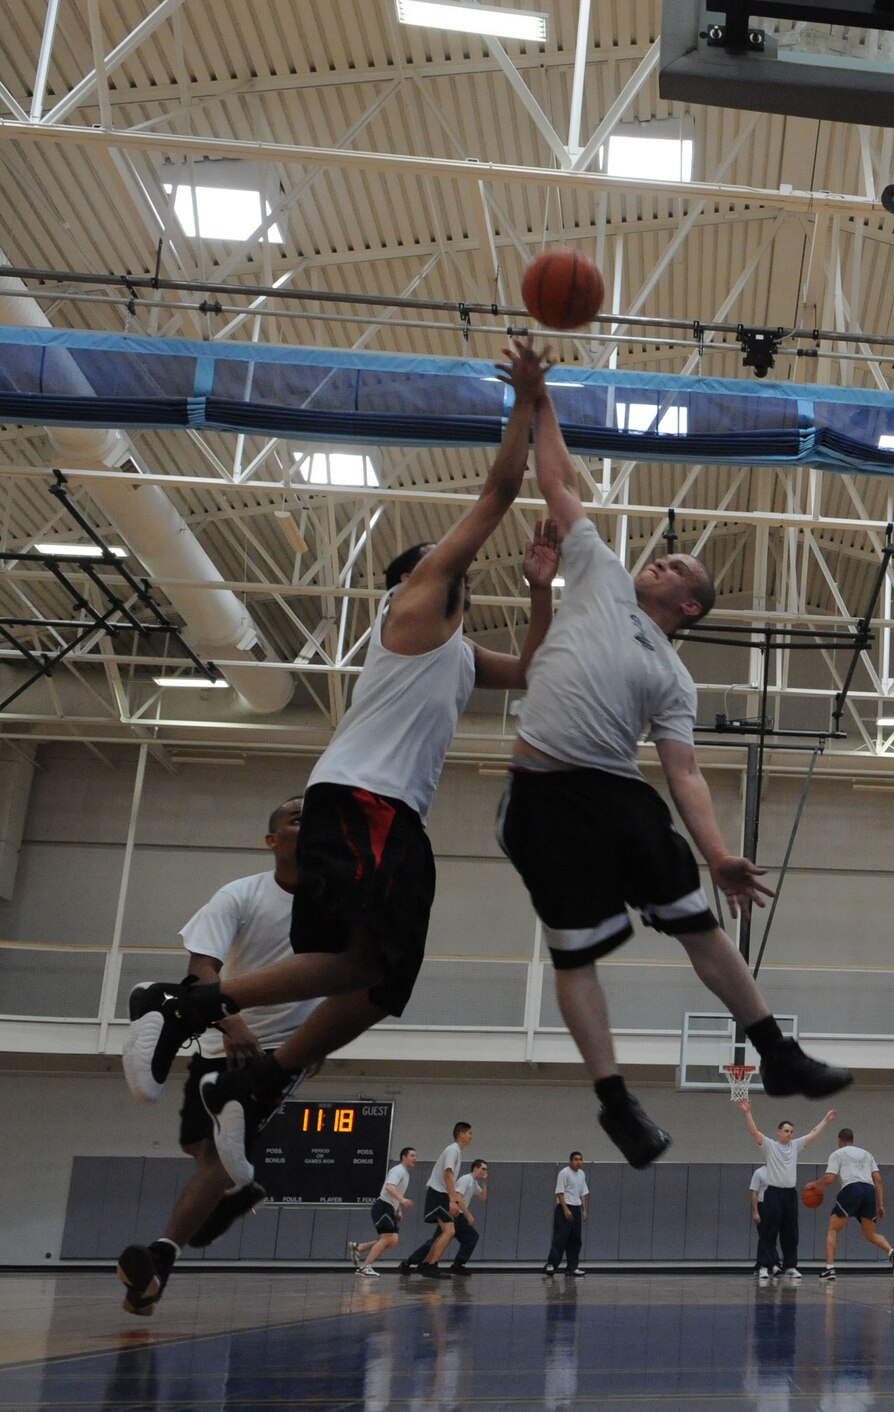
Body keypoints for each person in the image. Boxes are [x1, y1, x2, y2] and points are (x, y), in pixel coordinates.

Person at [119, 342, 560, 1188]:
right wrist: (529, 403)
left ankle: (259, 1080)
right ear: (417, 580)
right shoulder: (415, 609)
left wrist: (541, 590)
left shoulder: (458, 655)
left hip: (389, 815)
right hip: (365, 800)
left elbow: (535, 670)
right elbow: (501, 492)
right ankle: (177, 1007)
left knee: (379, 981)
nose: (450, 564)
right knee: (366, 965)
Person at [497, 386, 849, 1169]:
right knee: (575, 954)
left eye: (676, 566)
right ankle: (616, 1102)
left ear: (687, 604)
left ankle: (776, 1053)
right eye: (662, 555)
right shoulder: (596, 573)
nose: (660, 559)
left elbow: (682, 771)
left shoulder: (672, 679)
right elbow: (559, 481)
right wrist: (537, 401)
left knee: (698, 922)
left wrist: (719, 851)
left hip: (620, 793)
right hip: (545, 795)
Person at [115, 797, 320, 1316]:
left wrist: (322, 1041)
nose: (311, 821)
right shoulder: (240, 894)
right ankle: (229, 1196)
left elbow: (349, 977)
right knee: (199, 1150)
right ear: (272, 840)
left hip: (280, 1051)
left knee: (218, 1158)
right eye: (297, 817)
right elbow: (202, 968)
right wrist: (230, 1022)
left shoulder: (337, 903)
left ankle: (166, 1255)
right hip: (221, 1037)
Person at [740, 1101, 837, 1281]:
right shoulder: (769, 1145)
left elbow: (813, 1134)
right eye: (786, 1131)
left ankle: (790, 1266)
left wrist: (826, 1119)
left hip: (790, 1194)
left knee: (791, 1232)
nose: (789, 1134)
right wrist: (747, 1112)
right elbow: (754, 1131)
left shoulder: (795, 1146)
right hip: (773, 1194)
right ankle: (763, 1266)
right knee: (768, 1232)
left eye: (791, 1132)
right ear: (779, 1132)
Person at [808, 1128, 894, 1279]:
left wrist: (814, 1185)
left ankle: (830, 1269)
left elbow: (830, 1178)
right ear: (853, 1140)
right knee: (870, 1234)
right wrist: (881, 1204)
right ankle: (892, 1252)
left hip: (852, 1189)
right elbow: (878, 1180)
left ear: (840, 1141)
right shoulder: (867, 1154)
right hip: (869, 1191)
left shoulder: (837, 1154)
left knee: (833, 1229)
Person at [401, 1123, 474, 1279]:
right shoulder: (453, 1150)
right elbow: (448, 1175)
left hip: (441, 1195)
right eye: (469, 1133)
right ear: (461, 1134)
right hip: (438, 1195)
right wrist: (452, 1200)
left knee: (445, 1232)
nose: (471, 1136)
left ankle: (426, 1264)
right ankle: (430, 1265)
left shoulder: (456, 1151)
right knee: (449, 1231)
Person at [352, 1146, 418, 1277]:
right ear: (403, 1157)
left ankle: (359, 1248)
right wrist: (403, 1200)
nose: (415, 1158)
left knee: (393, 1240)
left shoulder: (405, 1173)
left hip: (389, 1208)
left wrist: (398, 1209)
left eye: (415, 1156)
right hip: (383, 1206)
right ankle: (365, 1267)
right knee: (387, 1237)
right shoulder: (398, 1170)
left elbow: (396, 1192)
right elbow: (389, 1187)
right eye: (412, 1156)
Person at [543, 1151, 589, 1277]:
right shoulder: (564, 1173)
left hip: (576, 1208)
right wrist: (565, 1209)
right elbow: (559, 1192)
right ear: (571, 1161)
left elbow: (583, 1194)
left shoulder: (582, 1174)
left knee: (575, 1239)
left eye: (580, 1159)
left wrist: (584, 1210)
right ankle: (551, 1264)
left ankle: (572, 1267)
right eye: (576, 1159)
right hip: (564, 1207)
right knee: (560, 1238)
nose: (579, 1162)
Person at [448, 1160, 487, 1276]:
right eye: (483, 1169)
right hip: (455, 1215)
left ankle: (457, 1264)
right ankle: (457, 1264)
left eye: (486, 1170)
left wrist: (484, 1183)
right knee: (471, 1237)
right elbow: (458, 1199)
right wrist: (468, 1215)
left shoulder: (474, 1182)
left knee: (469, 1238)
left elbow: (483, 1197)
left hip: (459, 1216)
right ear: (475, 1168)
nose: (484, 1172)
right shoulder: (466, 1180)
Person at [750, 1164, 778, 1284]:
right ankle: (763, 1266)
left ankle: (772, 1263)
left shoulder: (780, 1171)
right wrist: (756, 1211)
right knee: (764, 1235)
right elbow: (754, 1193)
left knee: (772, 1236)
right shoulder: (759, 1172)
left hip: (776, 1206)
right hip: (763, 1206)